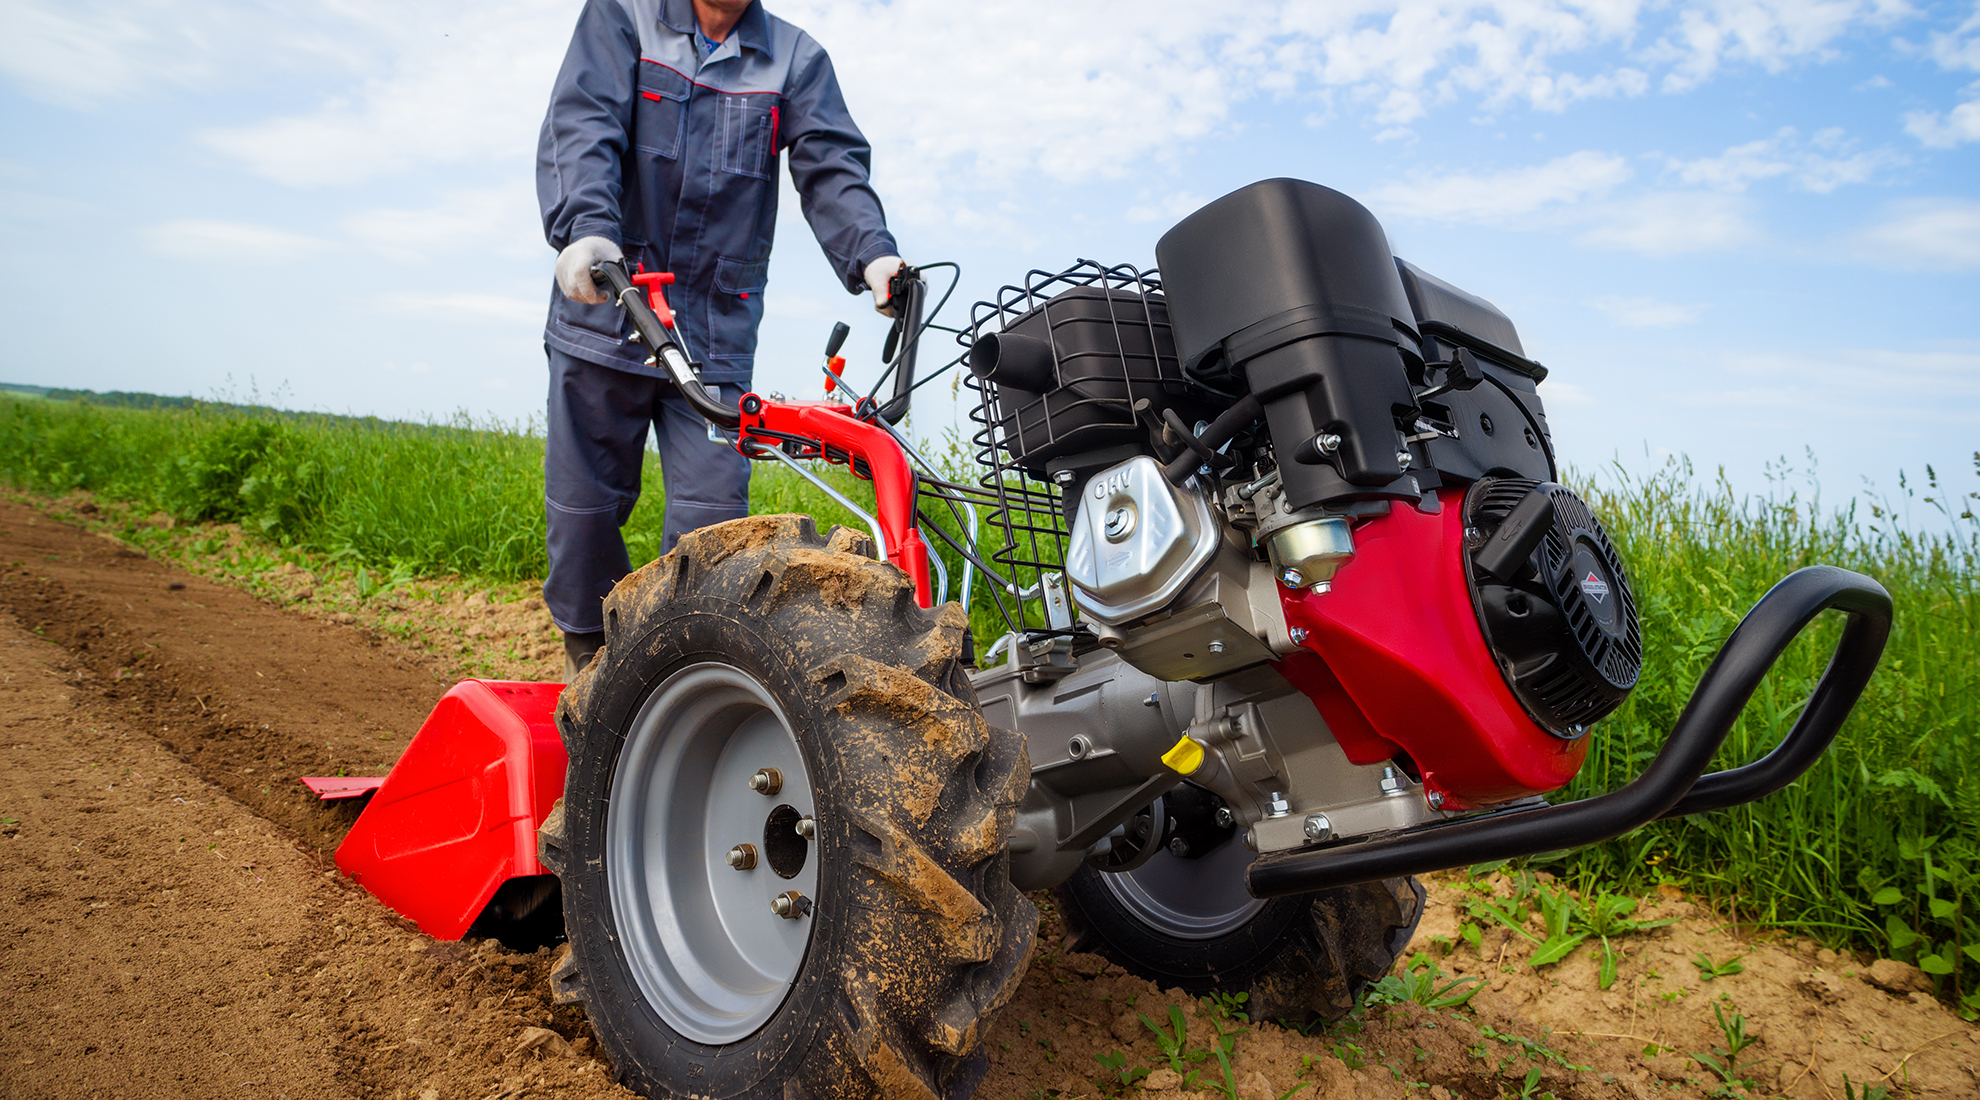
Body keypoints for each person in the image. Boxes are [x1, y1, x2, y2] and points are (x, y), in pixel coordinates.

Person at [537, 0, 903, 681]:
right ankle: (591, 667)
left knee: (712, 527)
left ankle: (679, 682)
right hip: (609, 300)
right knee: (584, 511)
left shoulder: (794, 58)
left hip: (713, 331)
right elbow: (583, 125)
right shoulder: (625, 17)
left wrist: (873, 256)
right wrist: (584, 228)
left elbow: (831, 167)